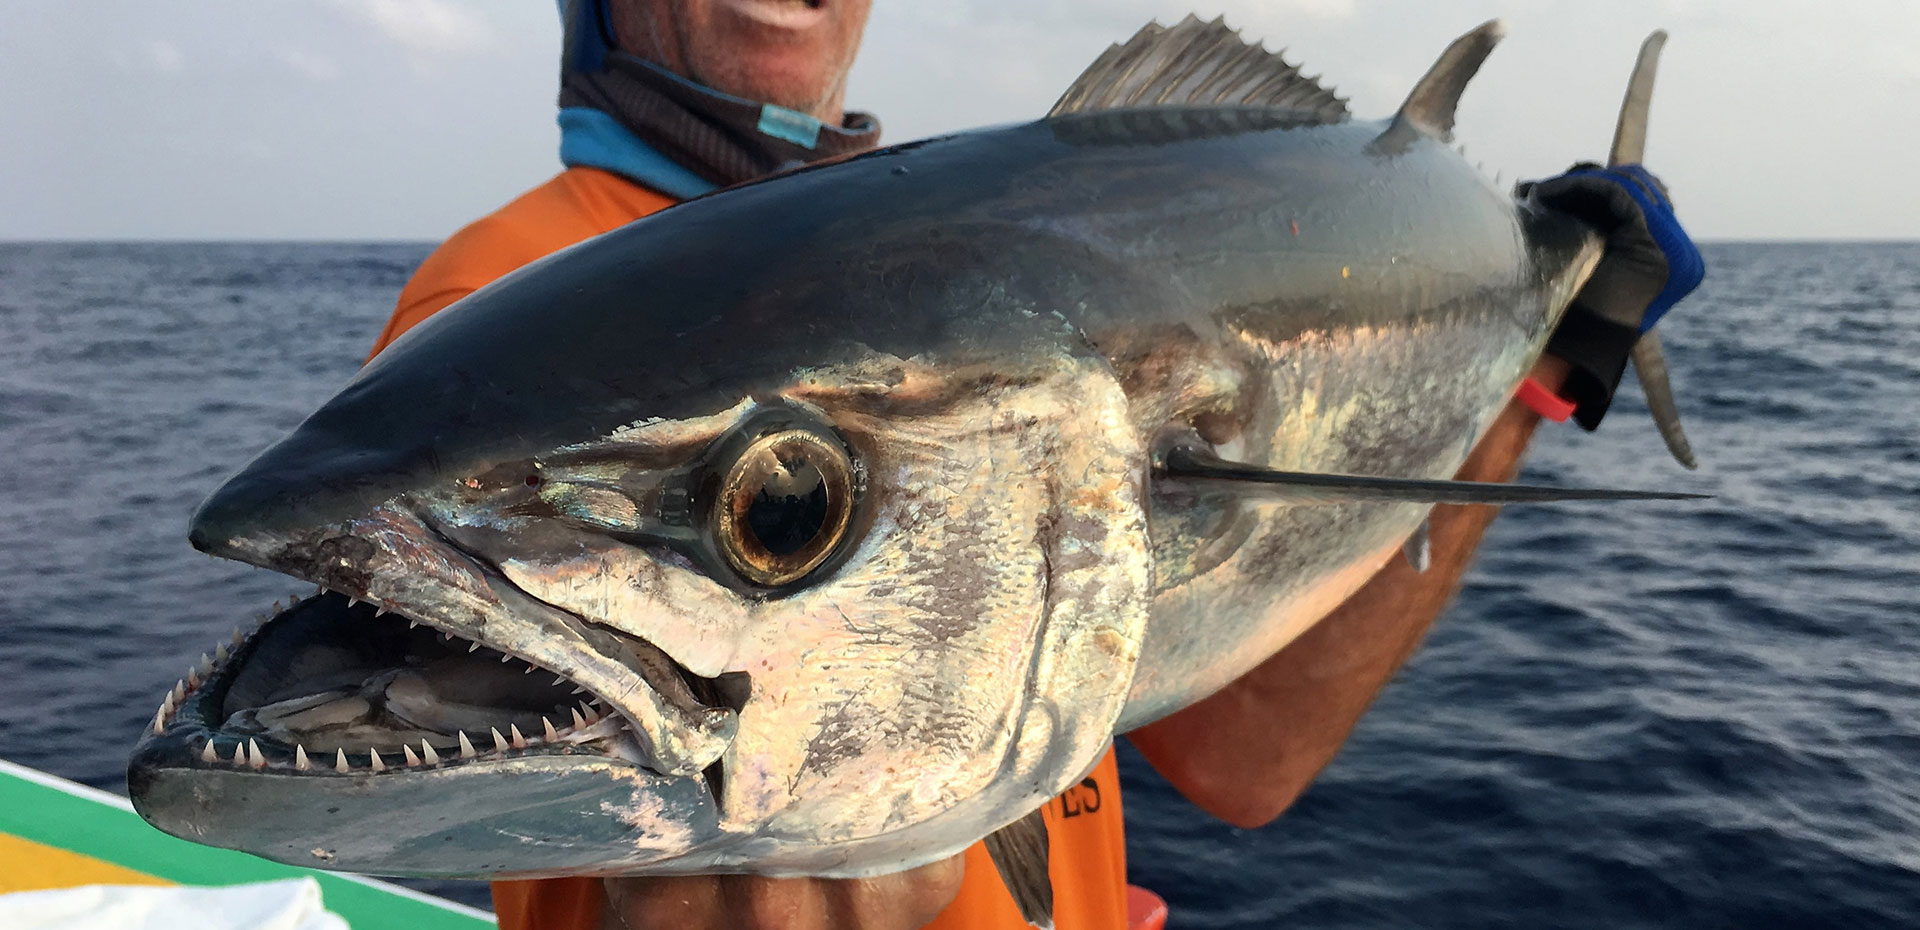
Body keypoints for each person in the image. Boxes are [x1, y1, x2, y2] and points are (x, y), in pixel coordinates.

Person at [367, 3, 1704, 928]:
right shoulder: (505, 300)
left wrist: (1539, 376)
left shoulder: (960, 250)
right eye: (788, 509)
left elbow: (1246, 762)